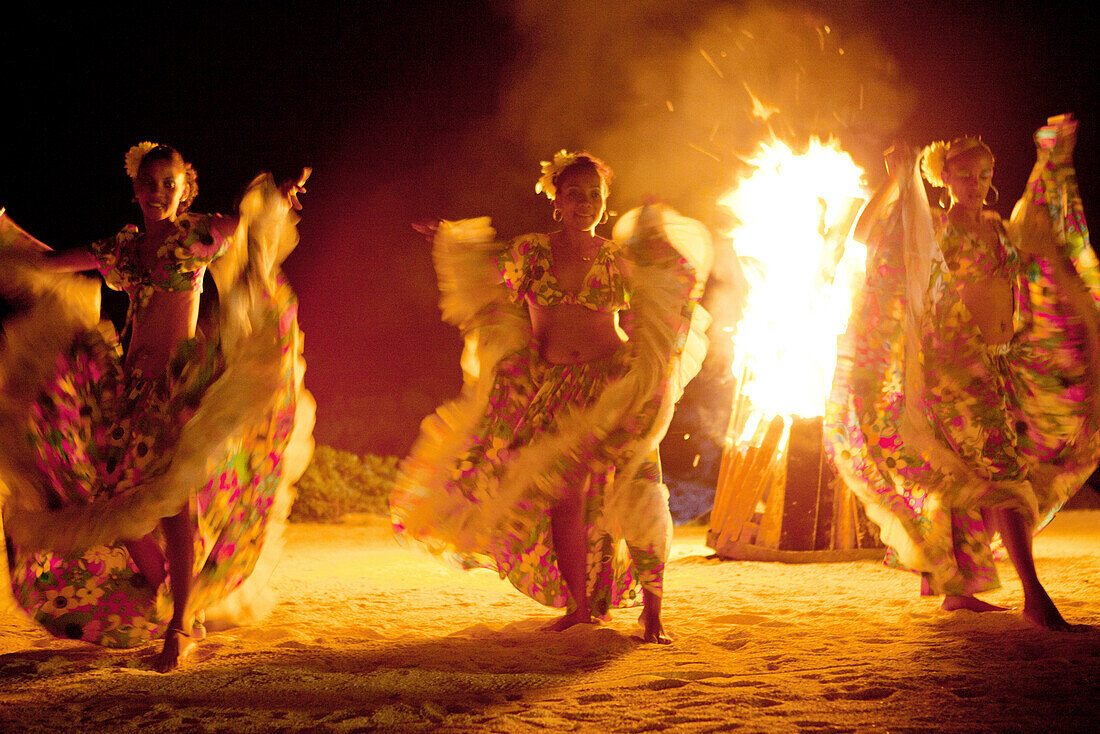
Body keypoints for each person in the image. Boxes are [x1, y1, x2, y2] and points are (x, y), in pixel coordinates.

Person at [0, 143, 315, 670]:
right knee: (119, 503)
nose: (157, 192)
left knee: (170, 502)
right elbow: (52, 261)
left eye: (168, 184)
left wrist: (278, 200)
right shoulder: (122, 250)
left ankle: (180, 623)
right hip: (128, 389)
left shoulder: (198, 234)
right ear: (135, 190)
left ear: (182, 189)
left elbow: (250, 224)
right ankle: (173, 594)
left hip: (177, 387)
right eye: (149, 183)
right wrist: (5, 229)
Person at [391, 151, 710, 643]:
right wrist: (451, 241)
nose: (585, 203)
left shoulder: (615, 257)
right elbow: (482, 273)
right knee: (562, 495)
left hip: (615, 385)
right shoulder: (528, 253)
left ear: (604, 205)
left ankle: (654, 614)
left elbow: (665, 283)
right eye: (575, 193)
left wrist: (654, 229)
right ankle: (581, 607)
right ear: (557, 200)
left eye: (595, 196)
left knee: (638, 487)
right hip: (556, 387)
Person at [826, 114, 1100, 630]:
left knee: (972, 477)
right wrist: (896, 177)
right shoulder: (935, 226)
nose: (975, 184)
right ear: (945, 179)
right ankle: (1035, 596)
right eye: (965, 175)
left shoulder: (999, 229)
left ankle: (958, 590)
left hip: (1002, 364)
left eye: (982, 174)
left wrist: (1051, 162)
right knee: (1003, 475)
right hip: (956, 372)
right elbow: (866, 235)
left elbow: (1042, 238)